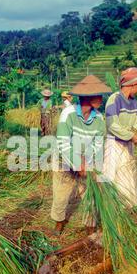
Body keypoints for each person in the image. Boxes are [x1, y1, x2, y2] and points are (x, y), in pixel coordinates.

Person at [51, 75, 111, 235]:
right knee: (61, 193)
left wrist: (91, 166)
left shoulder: (98, 118)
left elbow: (98, 145)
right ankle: (59, 221)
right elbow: (63, 144)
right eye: (98, 95)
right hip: (64, 158)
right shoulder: (68, 114)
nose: (101, 98)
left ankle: (90, 224)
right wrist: (78, 163)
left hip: (86, 159)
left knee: (90, 193)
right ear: (87, 96)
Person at [103, 67, 137, 207]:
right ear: (132, 84)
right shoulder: (114, 99)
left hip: (127, 145)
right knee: (110, 178)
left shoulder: (134, 101)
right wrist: (132, 136)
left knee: (127, 177)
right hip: (114, 145)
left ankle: (127, 210)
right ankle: (108, 211)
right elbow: (112, 125)